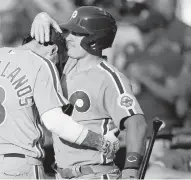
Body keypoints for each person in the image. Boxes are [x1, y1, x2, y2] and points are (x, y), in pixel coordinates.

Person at [0, 27, 120, 179]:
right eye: (60, 61)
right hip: (20, 166)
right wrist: (102, 143)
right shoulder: (41, 64)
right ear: (54, 50)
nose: (58, 67)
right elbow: (56, 123)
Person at [30, 7, 148, 179]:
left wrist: (131, 168)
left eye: (77, 34)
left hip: (95, 174)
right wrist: (41, 17)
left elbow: (137, 124)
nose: (68, 37)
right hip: (62, 174)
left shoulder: (110, 78)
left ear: (94, 40)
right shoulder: (67, 66)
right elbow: (38, 46)